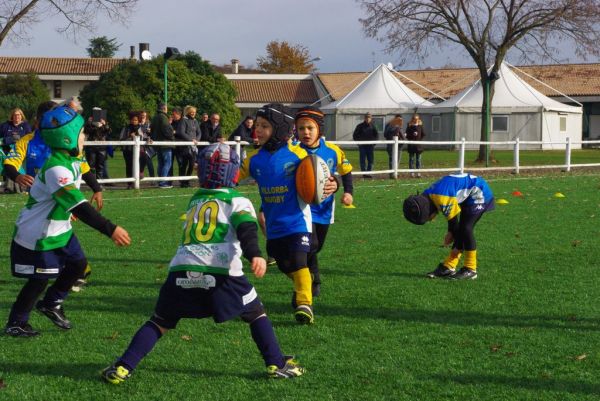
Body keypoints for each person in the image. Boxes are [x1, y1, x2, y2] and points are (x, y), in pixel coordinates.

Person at [101, 143, 304, 384]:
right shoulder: (237, 201)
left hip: (181, 269)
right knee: (255, 312)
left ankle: (123, 367)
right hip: (220, 271)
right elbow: (247, 229)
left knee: (160, 322)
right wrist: (255, 255)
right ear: (235, 172)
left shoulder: (196, 200)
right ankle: (276, 363)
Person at [4, 106, 130, 337]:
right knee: (39, 280)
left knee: (78, 265)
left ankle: (51, 304)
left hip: (60, 228)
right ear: (67, 137)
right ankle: (16, 322)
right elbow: (81, 209)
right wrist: (111, 229)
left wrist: (96, 189)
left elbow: (80, 183)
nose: (85, 136)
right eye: (81, 132)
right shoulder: (56, 169)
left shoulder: (72, 157)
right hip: (40, 234)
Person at [240, 103, 338, 324]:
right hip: (273, 225)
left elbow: (322, 172)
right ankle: (303, 283)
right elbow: (234, 176)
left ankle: (305, 303)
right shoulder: (254, 159)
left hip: (298, 221)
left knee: (298, 259)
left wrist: (335, 183)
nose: (259, 130)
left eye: (265, 126)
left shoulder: (299, 154)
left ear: (281, 129)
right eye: (257, 125)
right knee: (284, 263)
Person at [3, 101, 104, 291]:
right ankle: (77, 271)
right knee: (55, 236)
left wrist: (97, 188)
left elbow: (84, 167)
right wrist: (17, 176)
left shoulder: (66, 141)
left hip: (65, 196)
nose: (55, 122)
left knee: (59, 235)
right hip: (42, 200)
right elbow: (10, 162)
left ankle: (76, 271)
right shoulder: (27, 141)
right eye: (51, 118)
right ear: (38, 120)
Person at [295, 106, 353, 297]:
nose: (305, 132)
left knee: (317, 246)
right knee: (309, 244)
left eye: (310, 128)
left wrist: (346, 191)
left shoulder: (332, 151)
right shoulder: (293, 152)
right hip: (302, 209)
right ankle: (314, 280)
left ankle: (310, 273)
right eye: (301, 128)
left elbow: (346, 171)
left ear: (319, 129)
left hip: (325, 208)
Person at [402, 173, 495, 280]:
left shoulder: (441, 198)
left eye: (428, 218)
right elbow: (453, 226)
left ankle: (471, 268)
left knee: (466, 229)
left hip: (479, 193)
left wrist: (456, 245)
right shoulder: (428, 195)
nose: (431, 220)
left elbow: (454, 225)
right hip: (468, 196)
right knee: (461, 230)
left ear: (427, 210)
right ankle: (449, 267)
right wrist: (452, 234)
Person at [1, 108, 32, 192]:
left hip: (21, 151)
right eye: (15, 115)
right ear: (12, 116)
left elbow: (26, 138)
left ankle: (20, 186)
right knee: (6, 164)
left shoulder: (26, 126)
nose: (17, 117)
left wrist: (9, 139)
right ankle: (8, 185)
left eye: (18, 115)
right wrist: (8, 140)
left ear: (21, 116)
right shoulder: (5, 125)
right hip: (6, 151)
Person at [175, 106, 201, 188]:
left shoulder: (196, 121)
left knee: (192, 164)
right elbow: (181, 132)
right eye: (191, 112)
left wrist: (197, 140)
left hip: (193, 147)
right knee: (184, 164)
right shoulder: (183, 120)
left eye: (194, 112)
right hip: (185, 147)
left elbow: (199, 132)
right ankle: (182, 181)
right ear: (188, 112)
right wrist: (190, 140)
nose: (193, 113)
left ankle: (187, 180)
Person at [119, 112, 147, 189]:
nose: (134, 121)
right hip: (128, 150)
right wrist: (129, 136)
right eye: (133, 120)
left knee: (144, 158)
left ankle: (140, 172)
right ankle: (130, 184)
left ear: (138, 121)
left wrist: (148, 139)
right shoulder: (126, 128)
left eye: (136, 120)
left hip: (139, 150)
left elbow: (144, 137)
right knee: (129, 166)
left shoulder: (140, 128)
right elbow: (121, 138)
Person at [150, 103, 174, 188]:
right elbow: (166, 129)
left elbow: (151, 129)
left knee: (160, 163)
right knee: (167, 163)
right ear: (164, 109)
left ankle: (160, 181)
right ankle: (163, 182)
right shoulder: (163, 117)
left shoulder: (155, 117)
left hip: (158, 144)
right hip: (165, 144)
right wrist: (172, 135)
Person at [84, 112, 112, 180]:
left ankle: (100, 183)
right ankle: (93, 183)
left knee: (100, 166)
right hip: (91, 147)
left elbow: (109, 131)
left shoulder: (104, 124)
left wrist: (104, 124)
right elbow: (86, 131)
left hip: (101, 147)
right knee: (91, 166)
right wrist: (91, 124)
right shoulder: (89, 123)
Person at [352, 112, 378, 177]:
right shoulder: (360, 126)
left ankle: (369, 173)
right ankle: (364, 173)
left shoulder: (373, 126)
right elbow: (355, 135)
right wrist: (359, 143)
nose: (368, 119)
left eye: (369, 117)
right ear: (364, 118)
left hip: (370, 146)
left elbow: (376, 135)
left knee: (370, 160)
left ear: (371, 118)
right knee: (362, 160)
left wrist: (374, 143)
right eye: (366, 117)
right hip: (362, 146)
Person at [139, 110, 155, 178]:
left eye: (144, 116)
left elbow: (152, 134)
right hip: (138, 146)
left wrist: (150, 137)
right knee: (138, 161)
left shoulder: (149, 124)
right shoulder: (137, 124)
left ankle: (152, 178)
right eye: (142, 115)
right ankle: (138, 175)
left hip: (147, 147)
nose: (143, 117)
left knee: (148, 161)